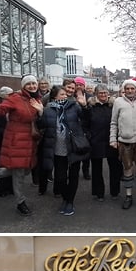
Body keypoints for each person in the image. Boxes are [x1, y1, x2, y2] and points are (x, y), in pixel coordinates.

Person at [0, 75, 44, 216]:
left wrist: (40, 111)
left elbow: (39, 120)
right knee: (19, 173)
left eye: (34, 83)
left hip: (30, 140)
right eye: (29, 84)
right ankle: (20, 202)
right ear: (23, 86)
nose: (32, 86)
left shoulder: (37, 99)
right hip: (17, 140)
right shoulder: (15, 98)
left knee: (26, 169)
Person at [37, 85, 87, 215]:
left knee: (73, 176)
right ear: (54, 97)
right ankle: (65, 198)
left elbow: (86, 119)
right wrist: (40, 113)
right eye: (62, 94)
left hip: (74, 147)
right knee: (60, 178)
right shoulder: (48, 110)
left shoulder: (74, 106)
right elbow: (41, 126)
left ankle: (69, 202)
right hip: (58, 149)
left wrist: (84, 106)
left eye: (65, 94)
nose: (65, 96)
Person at [110, 79, 136, 210]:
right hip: (125, 142)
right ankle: (128, 196)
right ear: (124, 89)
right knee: (127, 169)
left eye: (132, 88)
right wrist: (113, 138)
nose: (130, 91)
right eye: (127, 88)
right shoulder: (118, 102)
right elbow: (114, 122)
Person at [83, 84, 121, 201]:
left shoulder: (114, 105)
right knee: (96, 169)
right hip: (96, 140)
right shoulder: (90, 107)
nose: (103, 95)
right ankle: (99, 193)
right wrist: (89, 136)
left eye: (105, 93)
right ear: (96, 94)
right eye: (100, 93)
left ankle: (115, 192)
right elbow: (85, 124)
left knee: (115, 167)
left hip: (112, 140)